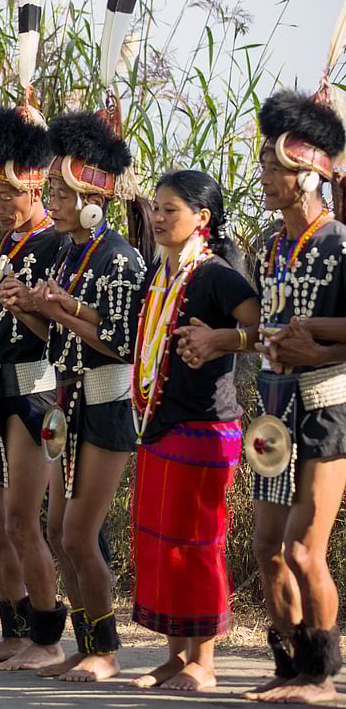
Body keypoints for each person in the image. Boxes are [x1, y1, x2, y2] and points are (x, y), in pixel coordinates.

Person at [12, 110, 149, 682]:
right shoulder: (70, 253)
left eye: (64, 192)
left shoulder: (118, 257)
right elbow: (62, 334)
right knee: (59, 535)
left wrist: (59, 311)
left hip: (107, 401)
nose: (55, 200)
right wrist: (34, 308)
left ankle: (107, 651)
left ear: (93, 195)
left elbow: (121, 346)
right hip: (68, 400)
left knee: (75, 534)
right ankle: (88, 639)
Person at [126, 170, 260, 692]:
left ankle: (205, 661)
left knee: (196, 543)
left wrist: (224, 338)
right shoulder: (159, 273)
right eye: (155, 208)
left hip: (204, 428)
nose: (157, 218)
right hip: (158, 423)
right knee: (160, 544)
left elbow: (262, 331)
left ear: (202, 218)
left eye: (170, 209)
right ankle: (176, 654)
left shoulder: (218, 276)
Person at [244, 90, 346, 705]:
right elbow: (264, 328)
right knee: (267, 549)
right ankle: (289, 665)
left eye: (274, 167)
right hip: (275, 409)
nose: (265, 176)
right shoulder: (270, 247)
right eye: (263, 164)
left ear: (308, 174)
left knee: (305, 549)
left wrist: (320, 350)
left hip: (328, 406)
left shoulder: (339, 244)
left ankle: (322, 674)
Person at [0, 102, 67, 669]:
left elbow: (54, 332)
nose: (1, 207)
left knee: (22, 520)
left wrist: (25, 307)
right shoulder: (4, 247)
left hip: (32, 390)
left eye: (11, 197)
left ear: (34, 189)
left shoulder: (54, 244)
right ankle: (13, 626)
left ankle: (49, 637)